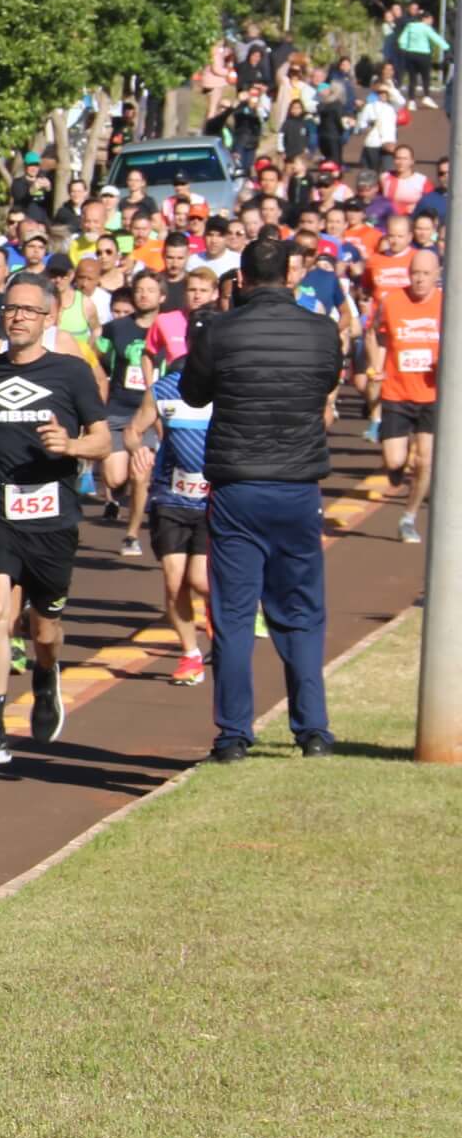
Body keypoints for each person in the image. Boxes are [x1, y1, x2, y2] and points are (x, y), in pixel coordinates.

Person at [180, 236, 345, 761]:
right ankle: (312, 728)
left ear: (242, 279)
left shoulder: (220, 330)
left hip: (238, 486)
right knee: (301, 610)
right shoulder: (322, 332)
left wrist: (222, 318)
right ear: (290, 276)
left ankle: (232, 735)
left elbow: (193, 393)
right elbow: (323, 385)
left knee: (231, 613)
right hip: (298, 484)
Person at [0, 277, 112, 766]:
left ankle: (46, 677)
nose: (19, 317)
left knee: (44, 629)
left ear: (48, 318)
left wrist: (71, 446)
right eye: (11, 309)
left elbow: (103, 440)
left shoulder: (71, 373)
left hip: (53, 515)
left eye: (29, 310)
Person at [122, 357, 215, 687]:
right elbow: (133, 430)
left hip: (212, 500)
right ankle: (190, 654)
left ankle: (220, 617)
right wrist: (138, 450)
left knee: (202, 581)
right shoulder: (163, 390)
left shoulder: (227, 389)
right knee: (174, 581)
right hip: (170, 498)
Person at [369, 243, 443, 545]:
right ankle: (396, 471)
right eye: (415, 273)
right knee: (395, 460)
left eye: (426, 274)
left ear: (437, 274)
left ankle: (408, 517)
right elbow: (375, 332)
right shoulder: (392, 301)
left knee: (425, 461)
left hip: (433, 395)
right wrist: (377, 364)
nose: (419, 279)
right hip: (397, 392)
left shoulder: (447, 303)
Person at [97, 269, 168, 551]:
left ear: (161, 296)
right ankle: (123, 493)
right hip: (118, 407)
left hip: (149, 412)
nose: (143, 295)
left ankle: (132, 534)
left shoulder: (169, 327)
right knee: (115, 478)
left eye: (150, 290)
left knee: (141, 473)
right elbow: (100, 364)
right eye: (139, 290)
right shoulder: (117, 328)